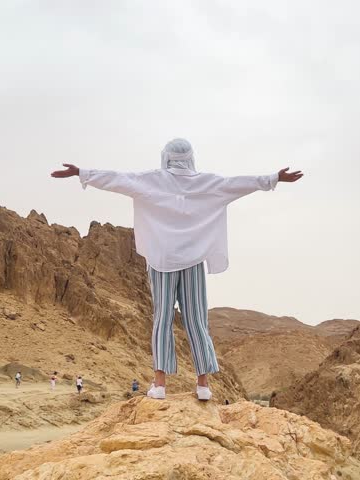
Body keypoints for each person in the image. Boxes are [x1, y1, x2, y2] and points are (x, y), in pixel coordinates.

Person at [52, 138, 303, 401]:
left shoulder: (152, 180)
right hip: (193, 259)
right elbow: (237, 184)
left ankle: (159, 385)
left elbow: (117, 179)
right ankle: (203, 385)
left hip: (162, 261)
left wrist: (82, 173)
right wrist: (274, 177)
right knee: (197, 320)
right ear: (191, 157)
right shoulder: (205, 183)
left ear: (166, 157)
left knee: (162, 320)